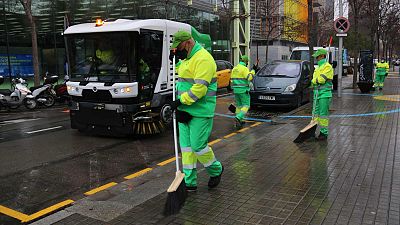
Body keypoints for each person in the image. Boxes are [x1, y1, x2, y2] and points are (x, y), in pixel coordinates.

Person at [169, 31, 223, 191]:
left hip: (200, 112)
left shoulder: (203, 59)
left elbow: (199, 89)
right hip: (184, 111)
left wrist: (180, 101)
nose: (178, 51)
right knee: (186, 148)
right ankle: (190, 181)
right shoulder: (188, 59)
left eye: (178, 48)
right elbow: (185, 77)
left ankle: (216, 170)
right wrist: (176, 62)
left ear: (187, 43)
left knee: (198, 146)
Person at [311, 49, 333, 141]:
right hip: (317, 93)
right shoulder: (318, 68)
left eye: (318, 56)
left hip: (324, 94)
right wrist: (313, 82)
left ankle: (324, 133)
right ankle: (312, 131)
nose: (316, 58)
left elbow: (321, 80)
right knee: (315, 114)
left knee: (323, 115)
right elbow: (315, 80)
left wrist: (314, 81)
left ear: (322, 56)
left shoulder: (327, 67)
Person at [230, 55, 255, 128]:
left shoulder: (235, 68)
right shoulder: (244, 69)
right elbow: (249, 78)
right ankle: (238, 117)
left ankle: (240, 120)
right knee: (246, 105)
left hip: (236, 90)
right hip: (243, 90)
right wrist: (253, 71)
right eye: (247, 62)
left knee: (239, 106)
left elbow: (231, 80)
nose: (247, 63)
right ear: (245, 61)